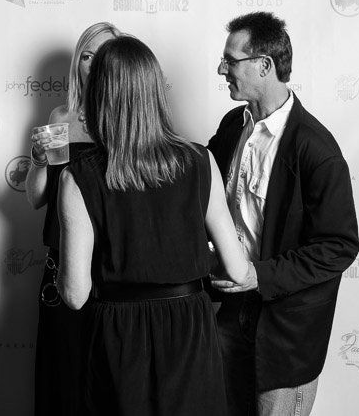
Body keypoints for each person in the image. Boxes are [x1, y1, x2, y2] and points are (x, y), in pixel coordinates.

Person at [57, 35, 252, 415]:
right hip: (190, 328)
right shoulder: (201, 161)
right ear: (155, 92)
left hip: (117, 333)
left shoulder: (78, 177)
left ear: (98, 96)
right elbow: (238, 269)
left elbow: (75, 295)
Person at [208, 12, 359, 416]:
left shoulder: (316, 149)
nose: (221, 70)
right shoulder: (231, 127)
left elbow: (339, 246)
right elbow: (204, 197)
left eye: (230, 61)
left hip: (285, 333)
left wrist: (259, 275)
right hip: (228, 316)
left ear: (264, 65)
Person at [25, 22, 123, 416]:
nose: (94, 65)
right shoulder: (61, 117)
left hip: (113, 269)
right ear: (77, 64)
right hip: (61, 261)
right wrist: (37, 160)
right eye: (87, 56)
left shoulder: (131, 122)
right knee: (62, 374)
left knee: (109, 379)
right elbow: (39, 198)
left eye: (104, 56)